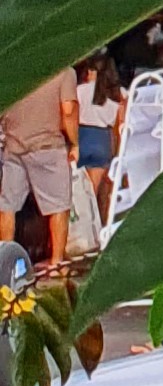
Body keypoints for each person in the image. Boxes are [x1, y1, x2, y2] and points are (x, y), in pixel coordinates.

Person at [0, 66, 79, 266]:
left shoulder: (13, 70)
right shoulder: (64, 71)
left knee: (7, 207)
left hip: (14, 146)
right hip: (48, 146)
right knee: (59, 205)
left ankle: (4, 263)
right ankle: (56, 263)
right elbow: (68, 110)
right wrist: (75, 142)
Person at [72, 56, 120, 226]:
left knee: (78, 191)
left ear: (91, 71)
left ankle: (79, 229)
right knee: (93, 193)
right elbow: (118, 124)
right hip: (102, 140)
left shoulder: (79, 91)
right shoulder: (115, 95)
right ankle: (95, 228)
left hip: (82, 136)